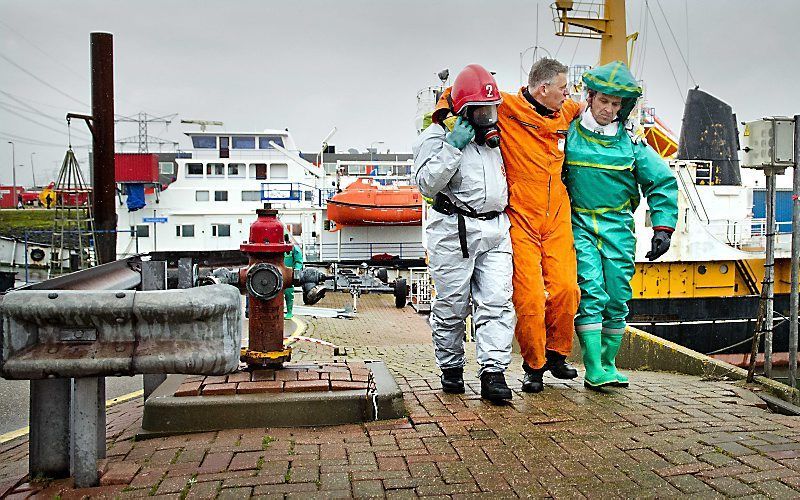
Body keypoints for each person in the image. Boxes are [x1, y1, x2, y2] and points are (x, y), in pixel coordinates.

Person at [564, 61, 678, 388]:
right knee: (591, 292)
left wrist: (663, 228)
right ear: (590, 97)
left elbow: (661, 181)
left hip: (618, 228)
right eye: (604, 101)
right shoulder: (569, 134)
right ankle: (592, 368)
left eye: (616, 104)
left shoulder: (631, 143)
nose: (608, 109)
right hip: (579, 225)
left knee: (617, 296)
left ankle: (608, 363)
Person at [413, 64, 515, 403]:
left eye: (492, 109)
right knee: (453, 305)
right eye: (481, 111)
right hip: (454, 230)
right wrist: (452, 148)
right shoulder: (436, 137)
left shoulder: (495, 141)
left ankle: (493, 372)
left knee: (498, 302)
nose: (488, 117)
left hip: (496, 229)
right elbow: (427, 183)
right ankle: (451, 366)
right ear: (462, 110)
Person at [497, 58, 584, 393]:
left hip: (557, 215)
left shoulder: (566, 111)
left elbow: (590, 106)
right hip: (522, 216)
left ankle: (557, 354)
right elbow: (453, 94)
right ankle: (533, 366)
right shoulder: (507, 108)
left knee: (566, 288)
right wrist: (443, 115)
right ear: (543, 88)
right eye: (563, 88)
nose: (568, 94)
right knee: (530, 297)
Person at [283, 233, 303, 320]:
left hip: (288, 274)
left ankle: (289, 311)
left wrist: (296, 272)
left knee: (288, 294)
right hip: (276, 273)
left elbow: (298, 261)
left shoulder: (293, 248)